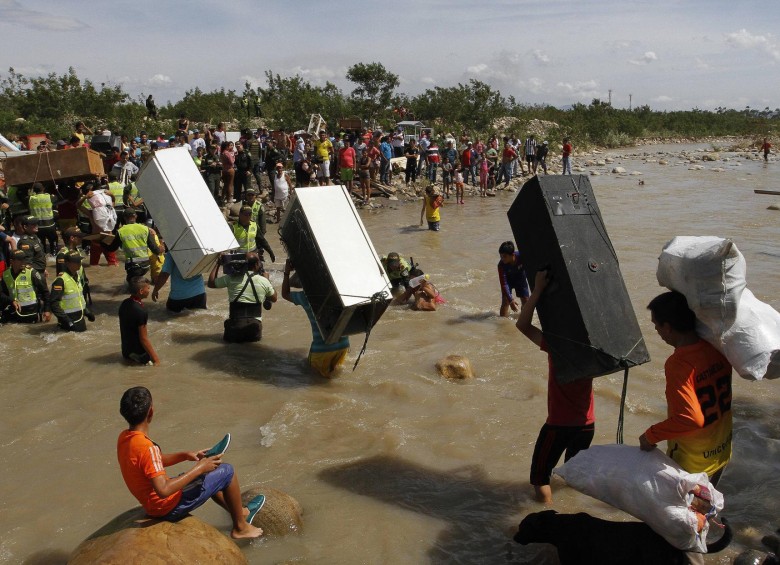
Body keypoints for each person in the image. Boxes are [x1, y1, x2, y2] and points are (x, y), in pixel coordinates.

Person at [116, 386, 264, 539]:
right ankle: (241, 527)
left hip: (153, 506)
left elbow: (153, 462)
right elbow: (163, 490)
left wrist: (186, 455)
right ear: (151, 412)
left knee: (208, 475)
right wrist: (199, 468)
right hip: (167, 507)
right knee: (227, 471)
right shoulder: (148, 448)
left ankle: (242, 512)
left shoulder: (125, 439)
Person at [516, 269, 595, 504]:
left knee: (540, 480)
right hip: (587, 426)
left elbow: (523, 325)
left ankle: (549, 517)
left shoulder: (557, 347)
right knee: (573, 475)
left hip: (559, 425)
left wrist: (538, 289)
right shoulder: (594, 352)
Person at [639, 291, 732, 485]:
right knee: (708, 505)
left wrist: (650, 435)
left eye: (656, 326)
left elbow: (689, 418)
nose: (657, 331)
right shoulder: (718, 349)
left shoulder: (679, 364)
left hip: (693, 461)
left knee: (688, 513)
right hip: (721, 450)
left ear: (668, 327)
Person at [282, 261, 350, 378]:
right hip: (343, 345)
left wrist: (287, 272)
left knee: (315, 380)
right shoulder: (338, 292)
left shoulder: (305, 297)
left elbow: (285, 293)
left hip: (322, 348)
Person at [208, 251, 277, 343]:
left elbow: (211, 283)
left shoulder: (231, 278)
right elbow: (274, 298)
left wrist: (218, 264)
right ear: (256, 265)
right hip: (253, 329)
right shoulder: (264, 281)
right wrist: (267, 280)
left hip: (234, 327)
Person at [1, 249, 51, 324]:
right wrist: (11, 301)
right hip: (14, 313)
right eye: (20, 260)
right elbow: (1, 293)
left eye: (24, 259)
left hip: (31, 314)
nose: (23, 262)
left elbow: (45, 292)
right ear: (11, 261)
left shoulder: (32, 273)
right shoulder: (6, 275)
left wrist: (47, 310)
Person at [49, 250, 95, 332]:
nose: (79, 263)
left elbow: (78, 298)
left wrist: (87, 312)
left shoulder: (76, 277)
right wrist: (66, 320)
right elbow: (53, 304)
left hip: (80, 320)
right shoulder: (60, 280)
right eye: (76, 261)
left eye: (79, 261)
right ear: (68, 263)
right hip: (68, 324)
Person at [119, 277, 161, 365]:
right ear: (141, 291)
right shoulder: (141, 312)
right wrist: (156, 360)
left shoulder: (124, 304)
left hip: (126, 352)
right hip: (139, 356)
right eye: (148, 288)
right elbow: (143, 339)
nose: (149, 290)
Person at [118, 209, 162, 281]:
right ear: (136, 216)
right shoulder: (145, 229)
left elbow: (111, 248)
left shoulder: (120, 231)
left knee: (130, 286)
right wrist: (161, 247)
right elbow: (155, 250)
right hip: (145, 266)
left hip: (132, 266)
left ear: (124, 218)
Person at [498, 241, 530, 317]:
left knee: (526, 301)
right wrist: (511, 300)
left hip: (520, 278)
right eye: (501, 256)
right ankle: (503, 323)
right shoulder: (501, 265)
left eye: (504, 256)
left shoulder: (521, 256)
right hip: (508, 282)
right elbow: (504, 283)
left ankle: (523, 319)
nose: (502, 259)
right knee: (505, 302)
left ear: (512, 254)